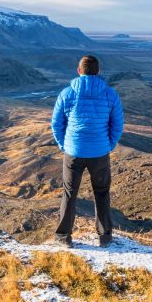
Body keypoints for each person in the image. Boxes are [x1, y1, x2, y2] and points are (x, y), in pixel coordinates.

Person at [50, 55, 124, 247]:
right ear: (98, 72)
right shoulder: (110, 94)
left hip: (73, 152)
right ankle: (105, 236)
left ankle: (63, 237)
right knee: (101, 193)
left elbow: (57, 124)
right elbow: (117, 125)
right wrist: (108, 145)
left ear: (79, 71)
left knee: (69, 193)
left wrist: (63, 145)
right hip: (100, 153)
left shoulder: (67, 94)